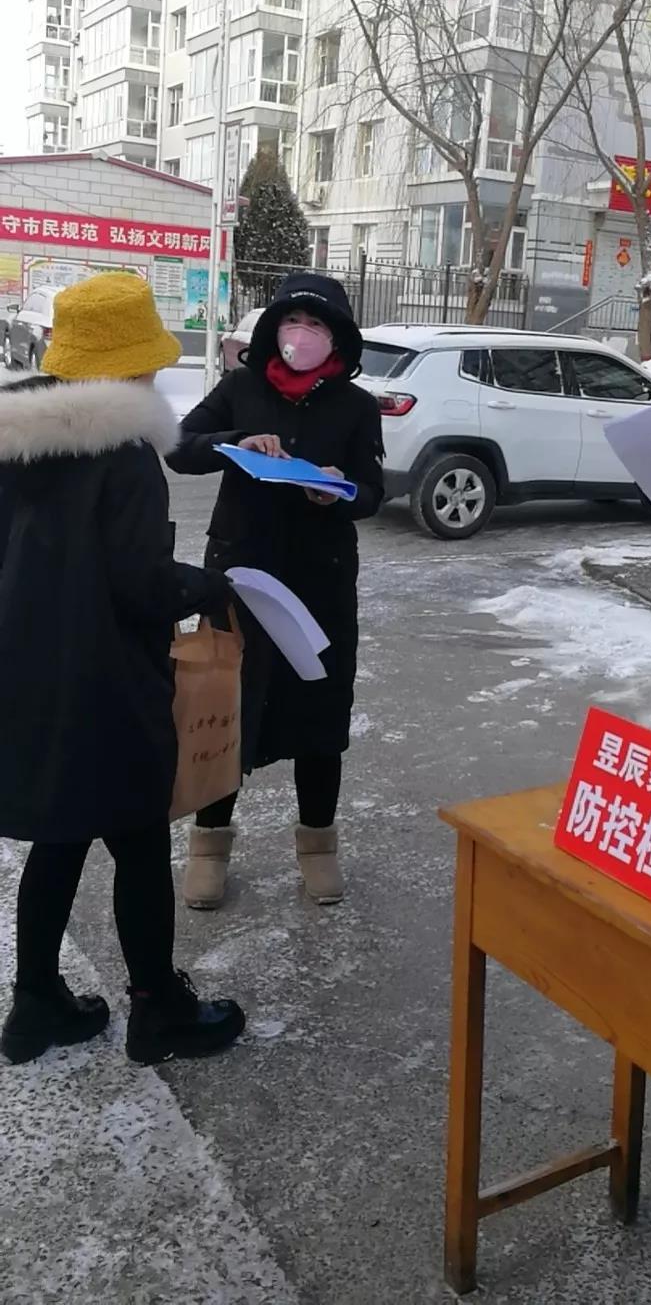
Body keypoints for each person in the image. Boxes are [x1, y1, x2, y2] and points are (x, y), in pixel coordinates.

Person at [0, 273, 245, 1066]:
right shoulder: (124, 455)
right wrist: (206, 587)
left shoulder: (17, 443)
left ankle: (35, 1003)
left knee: (61, 834)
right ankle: (159, 1010)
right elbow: (141, 587)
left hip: (27, 675)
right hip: (108, 685)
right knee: (138, 843)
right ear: (133, 363)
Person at [169, 272, 384, 910]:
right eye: (293, 321)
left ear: (338, 339)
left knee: (321, 711)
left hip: (321, 580)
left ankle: (318, 845)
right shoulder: (241, 388)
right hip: (241, 574)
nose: (303, 334)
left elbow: (373, 492)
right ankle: (210, 846)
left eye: (317, 325)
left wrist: (338, 489)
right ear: (273, 329)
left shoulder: (356, 405)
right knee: (227, 706)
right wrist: (234, 442)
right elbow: (180, 449)